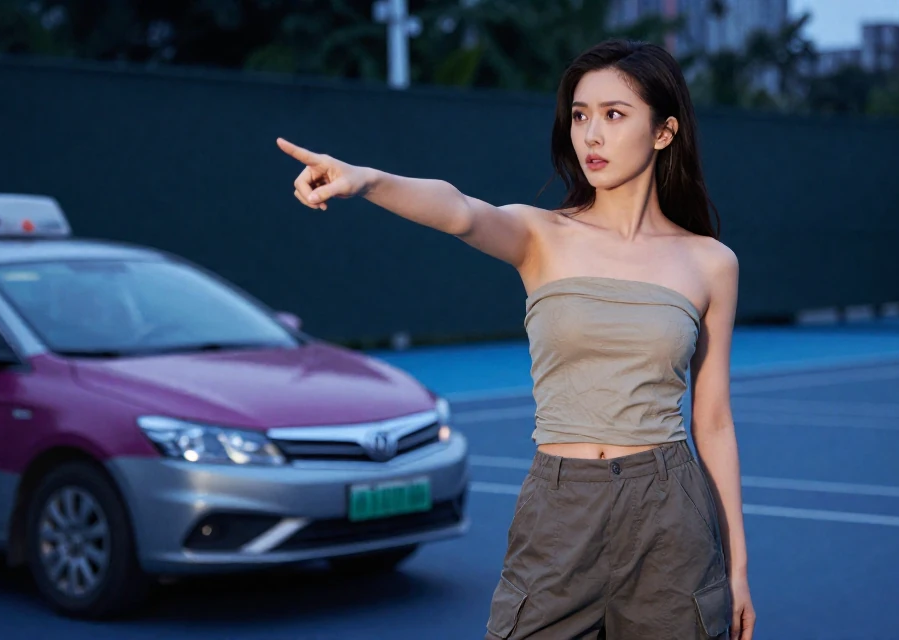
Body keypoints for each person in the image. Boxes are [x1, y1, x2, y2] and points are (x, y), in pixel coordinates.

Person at [278, 38, 753, 640]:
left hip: (670, 517)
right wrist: (368, 180)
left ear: (664, 131)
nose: (591, 135)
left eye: (614, 115)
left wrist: (737, 568)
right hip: (560, 507)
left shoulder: (711, 263)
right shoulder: (540, 235)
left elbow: (713, 422)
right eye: (579, 115)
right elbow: (459, 210)